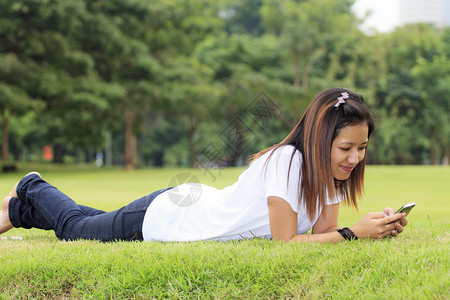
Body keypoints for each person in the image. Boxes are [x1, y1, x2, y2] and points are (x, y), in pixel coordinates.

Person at [0, 88, 409, 243]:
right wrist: (355, 234)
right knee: (75, 230)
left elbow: (322, 235)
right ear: (322, 140)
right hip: (169, 217)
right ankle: (33, 185)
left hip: (190, 209)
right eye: (345, 148)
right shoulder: (287, 162)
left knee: (97, 221)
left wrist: (369, 228)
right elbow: (287, 246)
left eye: (362, 148)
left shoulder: (330, 175)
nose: (355, 159)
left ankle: (17, 212)